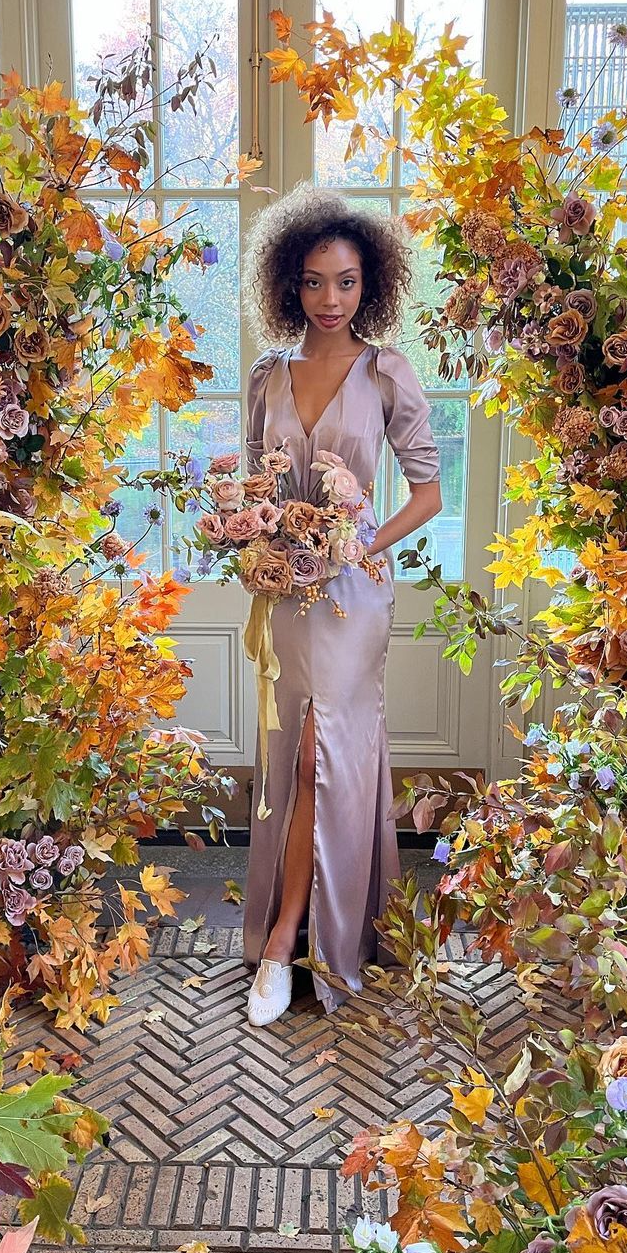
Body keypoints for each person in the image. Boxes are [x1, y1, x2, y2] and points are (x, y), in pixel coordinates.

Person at [241, 183, 443, 1026]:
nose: (332, 299)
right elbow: (254, 487)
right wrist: (253, 535)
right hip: (287, 595)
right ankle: (309, 931)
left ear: (372, 284)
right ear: (291, 284)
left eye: (348, 282)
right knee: (296, 755)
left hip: (353, 601)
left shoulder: (385, 372)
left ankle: (284, 940)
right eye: (316, 282)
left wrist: (362, 543)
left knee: (323, 752)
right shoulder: (268, 376)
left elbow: (429, 493)